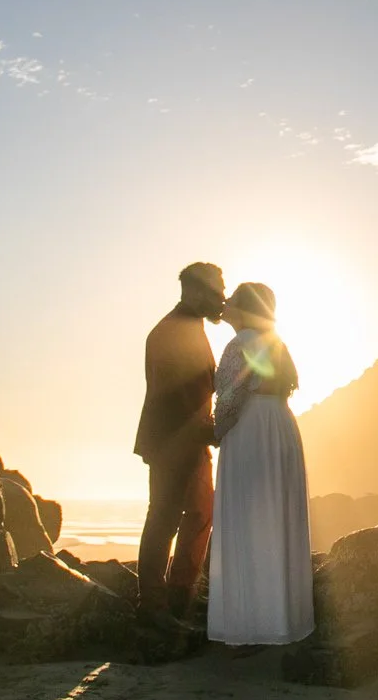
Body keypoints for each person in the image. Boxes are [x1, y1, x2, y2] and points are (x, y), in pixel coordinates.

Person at [206, 282, 315, 646]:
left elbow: (231, 396)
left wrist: (216, 432)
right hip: (280, 426)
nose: (225, 304)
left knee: (246, 516)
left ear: (244, 308)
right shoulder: (276, 343)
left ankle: (249, 623)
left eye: (232, 300)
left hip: (251, 430)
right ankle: (281, 619)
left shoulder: (240, 344)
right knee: (276, 516)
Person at [133, 262, 225, 621]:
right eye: (217, 291)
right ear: (194, 291)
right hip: (173, 442)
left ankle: (177, 597)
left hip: (187, 439)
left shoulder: (189, 327)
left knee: (198, 514)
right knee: (165, 518)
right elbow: (173, 393)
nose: (222, 299)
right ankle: (154, 605)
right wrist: (212, 431)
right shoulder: (172, 331)